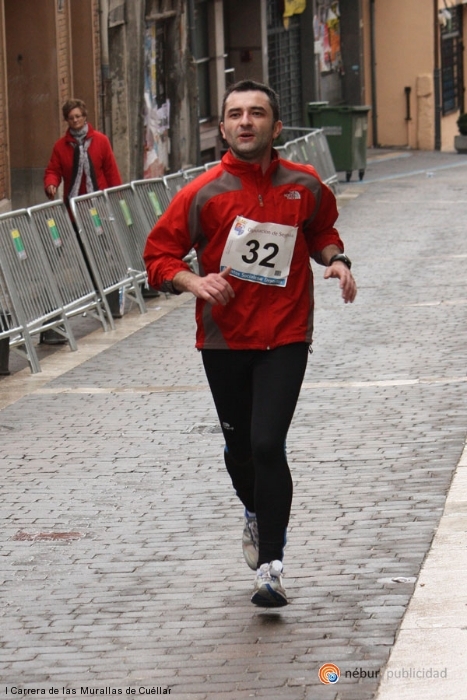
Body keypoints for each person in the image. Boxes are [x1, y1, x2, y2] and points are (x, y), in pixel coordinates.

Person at [144, 79, 357, 608]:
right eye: (236, 114)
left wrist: (335, 260)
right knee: (242, 450)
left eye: (257, 113)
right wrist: (193, 282)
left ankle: (271, 568)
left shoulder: (304, 184)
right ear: (223, 129)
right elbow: (158, 257)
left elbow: (321, 230)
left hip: (286, 334)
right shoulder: (201, 193)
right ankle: (256, 511)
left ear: (275, 126)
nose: (246, 121)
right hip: (224, 339)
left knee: (267, 444)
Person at [43, 99, 123, 341]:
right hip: (74, 210)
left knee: (102, 254)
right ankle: (94, 294)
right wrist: (51, 184)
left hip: (98, 208)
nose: (75, 120)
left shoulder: (101, 141)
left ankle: (110, 298)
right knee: (81, 255)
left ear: (85, 117)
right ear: (66, 120)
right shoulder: (61, 146)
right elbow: (53, 169)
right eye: (71, 118)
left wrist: (116, 199)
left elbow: (111, 171)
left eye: (78, 116)